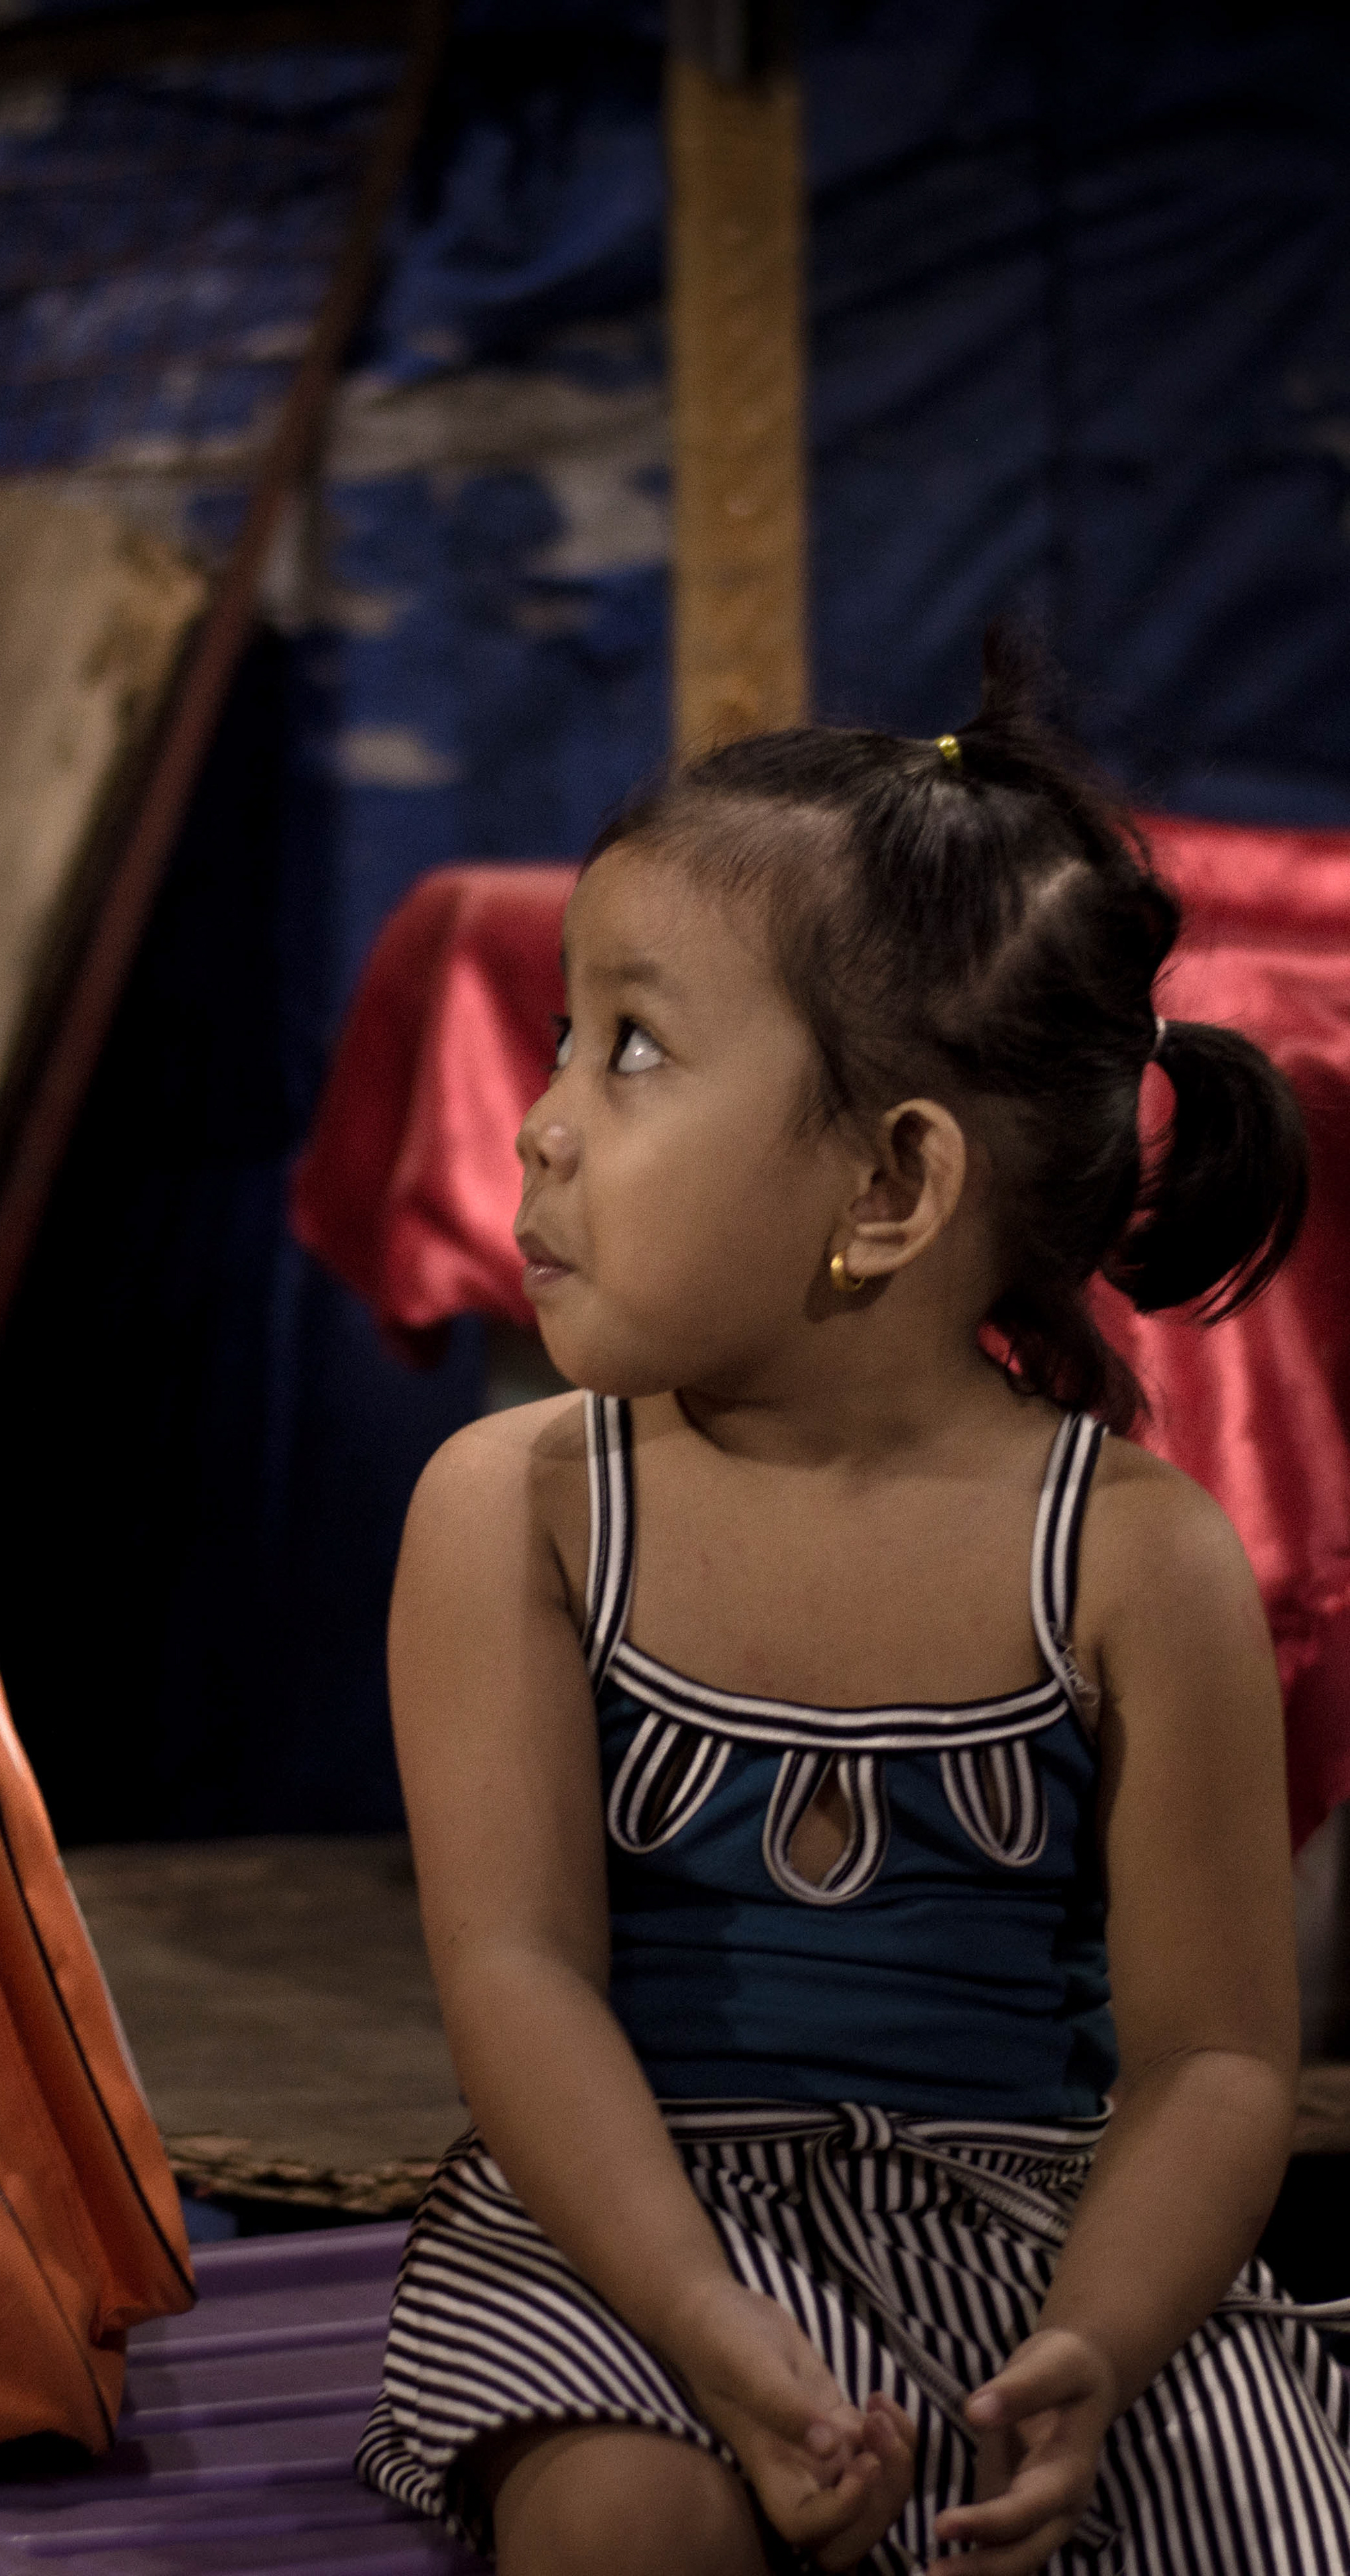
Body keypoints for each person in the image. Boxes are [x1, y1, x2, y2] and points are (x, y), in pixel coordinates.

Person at [355, 649, 1350, 2575]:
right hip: (632, 2250)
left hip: (1038, 2245)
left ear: (892, 1184)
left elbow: (1217, 2058)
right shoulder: (520, 1511)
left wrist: (1103, 2340)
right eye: (560, 1038)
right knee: (626, 2518)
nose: (540, 1122)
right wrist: (711, 2329)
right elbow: (521, 1978)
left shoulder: (1135, 1561)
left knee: (1242, 2514)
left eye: (633, 1050)